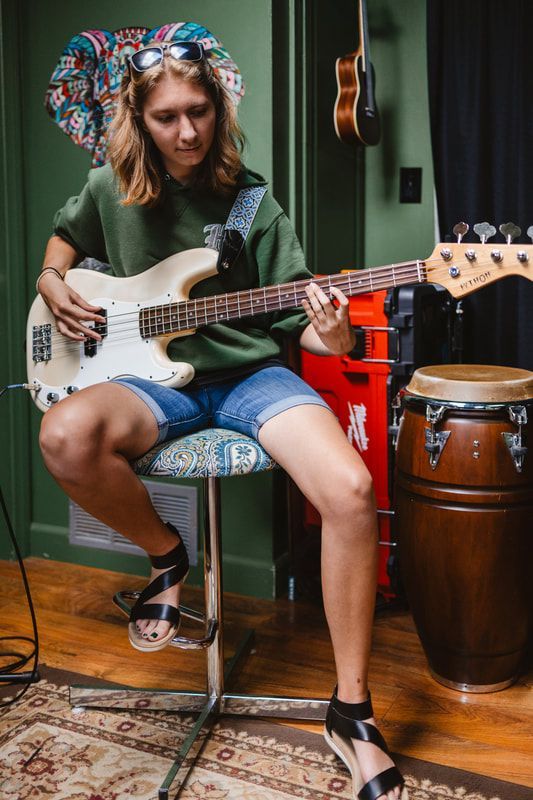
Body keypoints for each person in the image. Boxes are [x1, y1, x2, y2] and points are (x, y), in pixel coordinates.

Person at [37, 40, 407, 800]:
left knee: (349, 490)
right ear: (139, 118)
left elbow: (304, 325)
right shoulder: (108, 187)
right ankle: (168, 557)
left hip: (251, 378)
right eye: (167, 117)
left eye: (199, 112)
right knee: (63, 436)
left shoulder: (252, 203)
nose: (187, 132)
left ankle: (352, 711)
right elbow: (65, 240)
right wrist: (50, 281)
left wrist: (333, 334)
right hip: (151, 384)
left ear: (218, 107)